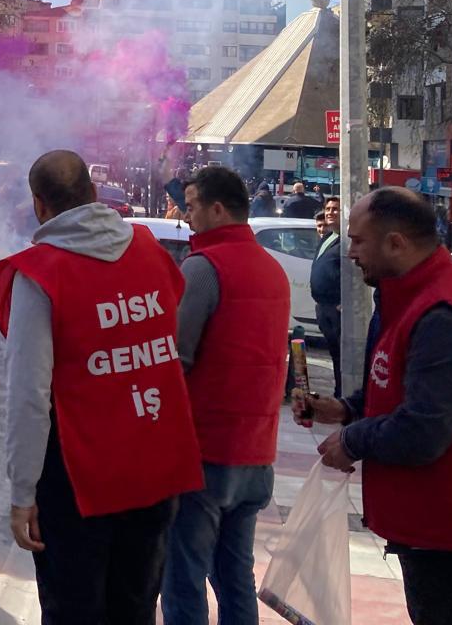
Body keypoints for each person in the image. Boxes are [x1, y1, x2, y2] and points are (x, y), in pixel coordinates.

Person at [298, 188, 452, 625]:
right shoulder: (407, 293)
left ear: (396, 243)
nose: (350, 253)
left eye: (358, 241)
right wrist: (346, 409)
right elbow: (398, 384)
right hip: (435, 516)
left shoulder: (442, 314)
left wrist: (352, 441)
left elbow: (423, 430)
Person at [0, 150, 202, 624]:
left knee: (74, 612)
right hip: (155, 465)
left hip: (79, 481)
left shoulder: (40, 273)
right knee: (134, 609)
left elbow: (29, 395)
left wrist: (23, 493)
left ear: (39, 205)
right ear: (93, 193)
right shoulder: (150, 250)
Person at [162, 165, 291, 625]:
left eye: (192, 206)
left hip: (207, 449)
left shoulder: (203, 268)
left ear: (217, 210)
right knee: (236, 577)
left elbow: (177, 357)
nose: (187, 216)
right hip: (257, 452)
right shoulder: (273, 270)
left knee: (184, 577)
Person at [311, 196, 344, 396]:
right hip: (323, 307)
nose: (331, 212)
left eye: (336, 209)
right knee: (333, 352)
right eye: (329, 208)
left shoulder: (346, 239)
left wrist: (345, 300)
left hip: (336, 308)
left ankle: (342, 394)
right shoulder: (328, 236)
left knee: (342, 355)